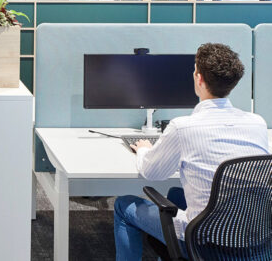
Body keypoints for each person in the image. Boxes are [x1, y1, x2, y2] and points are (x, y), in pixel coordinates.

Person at [113, 43, 269, 261]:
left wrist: (144, 150)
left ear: (199, 79)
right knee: (176, 194)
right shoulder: (258, 123)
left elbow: (151, 172)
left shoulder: (183, 127)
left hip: (204, 243)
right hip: (253, 240)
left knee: (124, 205)